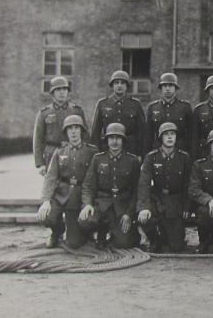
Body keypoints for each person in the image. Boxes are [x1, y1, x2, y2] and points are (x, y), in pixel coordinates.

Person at [36, 115, 98, 248]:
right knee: (45, 216)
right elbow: (50, 177)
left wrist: (89, 202)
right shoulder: (60, 152)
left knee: (74, 243)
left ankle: (87, 233)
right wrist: (46, 201)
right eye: (70, 129)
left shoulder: (91, 151)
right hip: (62, 194)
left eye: (76, 128)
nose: (74, 132)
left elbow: (94, 180)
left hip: (81, 196)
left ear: (81, 130)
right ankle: (56, 232)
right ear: (66, 132)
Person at [78, 123, 142, 249]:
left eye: (118, 138)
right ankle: (101, 231)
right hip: (102, 202)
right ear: (106, 140)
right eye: (111, 138)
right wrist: (87, 204)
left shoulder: (132, 161)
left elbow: (136, 191)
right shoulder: (98, 159)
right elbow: (88, 185)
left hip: (121, 206)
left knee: (123, 244)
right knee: (85, 220)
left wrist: (129, 214)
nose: (114, 141)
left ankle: (118, 232)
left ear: (123, 140)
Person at [137, 122, 193, 254]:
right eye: (166, 134)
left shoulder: (184, 158)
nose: (169, 137)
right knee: (145, 218)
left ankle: (166, 234)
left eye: (172, 134)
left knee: (176, 246)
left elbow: (188, 184)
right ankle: (154, 239)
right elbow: (144, 183)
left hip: (175, 201)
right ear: (160, 138)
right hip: (157, 198)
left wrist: (187, 206)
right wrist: (144, 207)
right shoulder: (151, 157)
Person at [32, 76, 87, 175]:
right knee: (51, 186)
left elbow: (85, 135)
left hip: (72, 152)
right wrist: (40, 164)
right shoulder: (44, 113)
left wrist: (85, 156)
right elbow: (38, 139)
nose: (62, 92)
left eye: (65, 89)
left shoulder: (76, 110)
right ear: (52, 93)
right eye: (58, 90)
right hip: (51, 154)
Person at [91, 70, 145, 156]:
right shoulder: (103, 103)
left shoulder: (135, 104)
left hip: (130, 149)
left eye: (122, 83)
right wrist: (97, 153)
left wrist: (139, 154)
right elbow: (95, 132)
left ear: (127, 86)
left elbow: (141, 133)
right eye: (116, 83)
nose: (119, 85)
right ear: (112, 85)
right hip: (108, 149)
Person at [145, 72, 192, 154]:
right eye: (165, 86)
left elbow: (191, 134)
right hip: (158, 152)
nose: (167, 89)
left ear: (175, 88)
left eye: (170, 86)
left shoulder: (185, 107)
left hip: (180, 152)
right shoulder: (152, 107)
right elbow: (148, 135)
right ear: (161, 88)